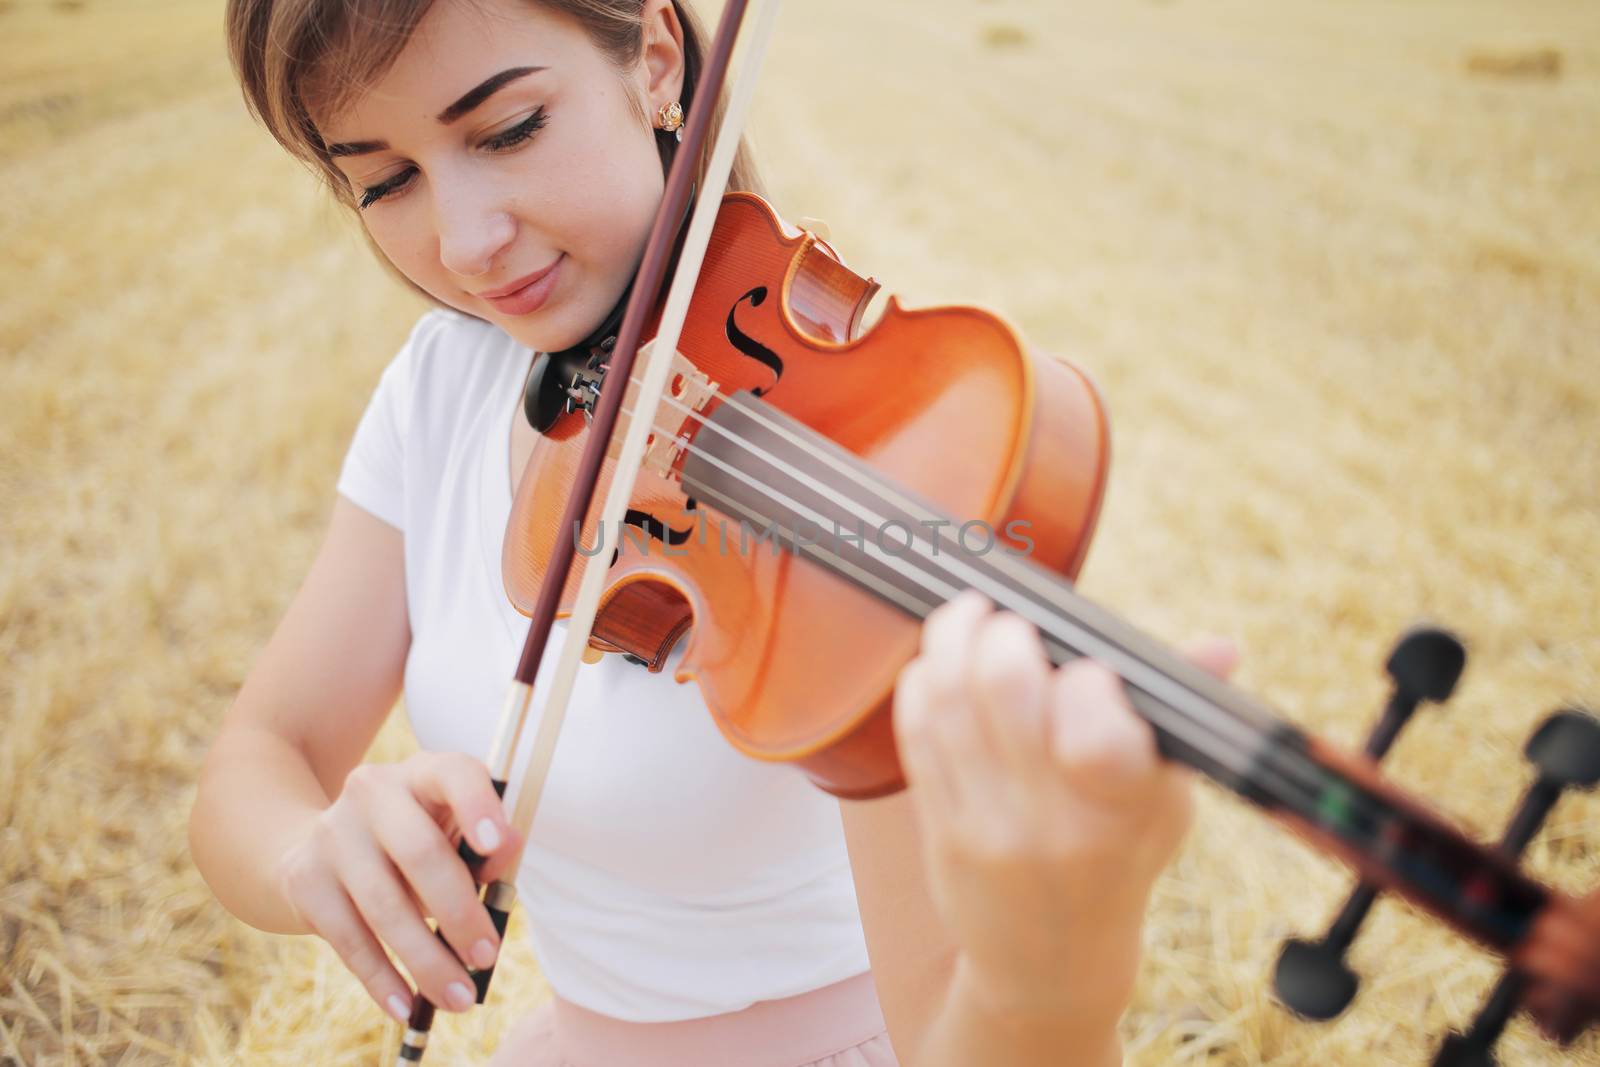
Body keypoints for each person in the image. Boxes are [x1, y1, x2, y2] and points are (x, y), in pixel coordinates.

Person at [189, 1, 1239, 1064]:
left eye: (507, 130)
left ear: (654, 58)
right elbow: (263, 754)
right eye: (384, 180)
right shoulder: (440, 386)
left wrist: (1049, 987)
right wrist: (309, 854)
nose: (465, 244)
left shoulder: (849, 452)